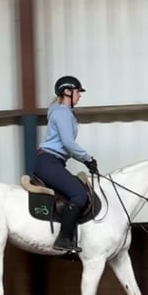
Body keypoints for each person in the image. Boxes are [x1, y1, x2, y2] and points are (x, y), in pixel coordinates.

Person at [33, 75, 99, 253]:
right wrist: (88, 159)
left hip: (53, 162)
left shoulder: (61, 112)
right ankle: (63, 239)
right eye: (78, 91)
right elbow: (68, 143)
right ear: (67, 92)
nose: (80, 95)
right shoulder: (63, 113)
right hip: (49, 161)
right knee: (79, 195)